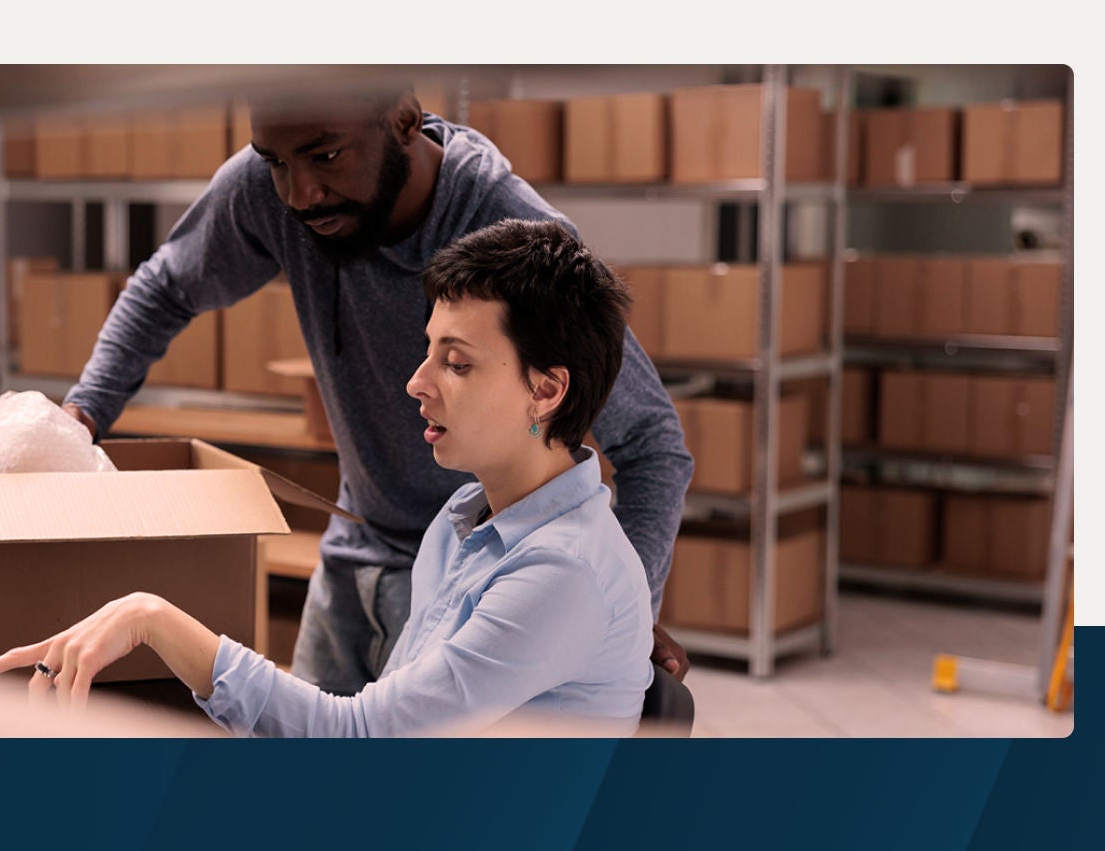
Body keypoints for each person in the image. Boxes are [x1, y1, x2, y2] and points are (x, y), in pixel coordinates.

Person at [54, 84, 693, 693]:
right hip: (354, 549)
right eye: (275, 161)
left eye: (325, 155)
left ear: (404, 121)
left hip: (479, 577)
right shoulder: (273, 190)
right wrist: (78, 416)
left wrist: (627, 606)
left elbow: (651, 441)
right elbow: (166, 286)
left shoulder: (510, 235)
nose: (300, 192)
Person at [0, 219, 654, 737]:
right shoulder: (465, 521)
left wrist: (155, 620)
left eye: (457, 363)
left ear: (546, 390)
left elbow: (363, 739)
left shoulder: (563, 572)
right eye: (428, 352)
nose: (417, 383)